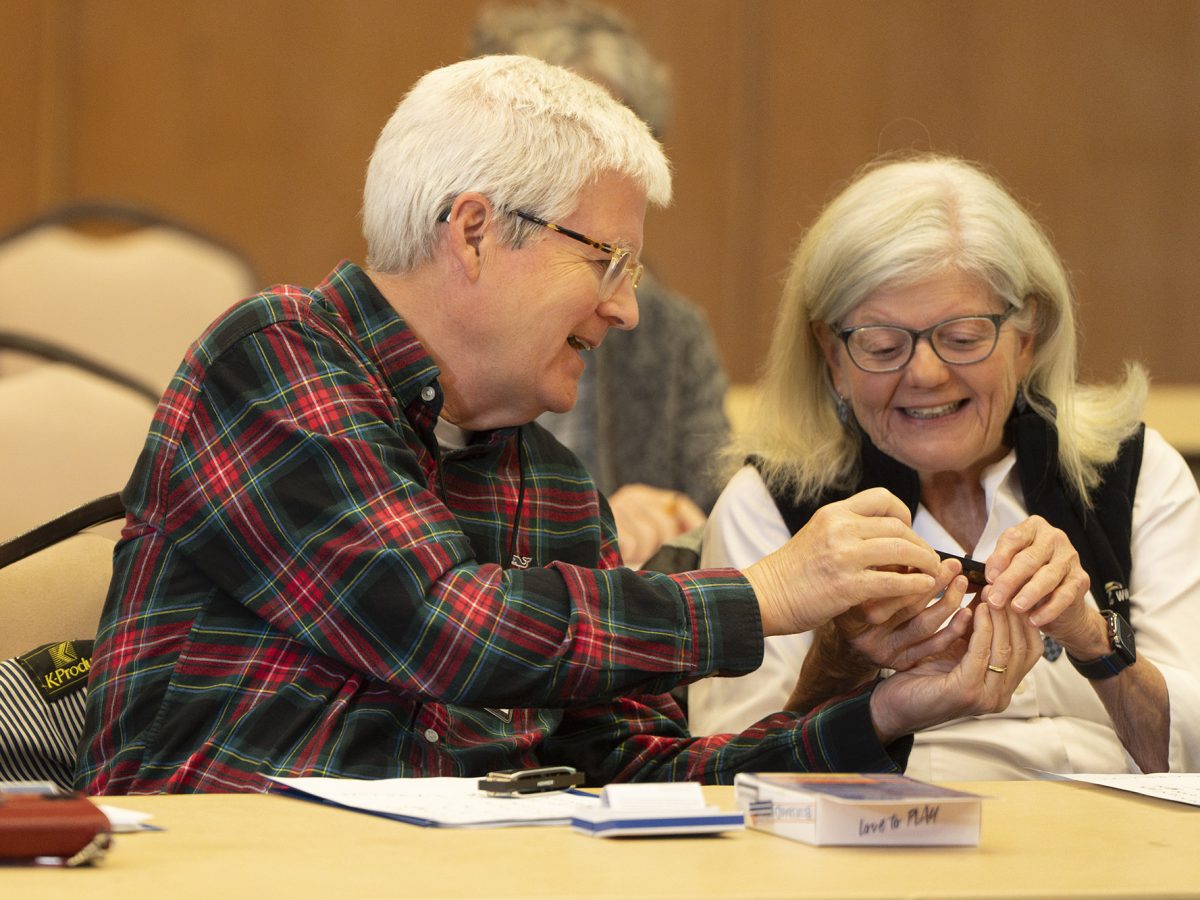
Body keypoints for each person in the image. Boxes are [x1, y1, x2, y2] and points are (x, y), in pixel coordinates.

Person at [75, 60, 1033, 795]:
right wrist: (767, 594)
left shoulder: (553, 483)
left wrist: (887, 710)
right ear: (477, 231)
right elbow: (441, 627)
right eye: (608, 261)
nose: (628, 311)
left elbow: (633, 775)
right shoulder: (274, 357)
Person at [688, 153, 1200, 779]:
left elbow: (1189, 763)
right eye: (882, 345)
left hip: (1127, 858)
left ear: (1026, 335)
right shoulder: (770, 503)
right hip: (884, 858)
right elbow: (726, 777)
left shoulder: (1135, 474)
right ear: (832, 354)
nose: (926, 375)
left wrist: (1092, 639)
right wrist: (844, 665)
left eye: (962, 339)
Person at [470, 0, 729, 568]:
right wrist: (601, 522)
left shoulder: (669, 331)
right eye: (566, 140)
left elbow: (725, 516)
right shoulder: (429, 316)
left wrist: (676, 524)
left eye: (616, 143)